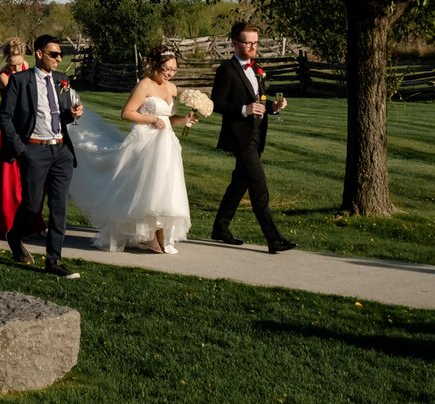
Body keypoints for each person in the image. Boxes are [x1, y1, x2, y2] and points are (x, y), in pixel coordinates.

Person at [67, 45, 196, 253]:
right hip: (147, 143)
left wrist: (185, 119)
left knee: (166, 188)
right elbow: (126, 113)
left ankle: (162, 235)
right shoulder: (144, 85)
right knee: (149, 188)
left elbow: (169, 118)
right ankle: (153, 236)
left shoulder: (171, 88)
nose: (171, 73)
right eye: (167, 68)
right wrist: (151, 119)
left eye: (174, 69)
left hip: (167, 144)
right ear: (156, 65)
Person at [0, 34, 83, 278]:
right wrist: (22, 149)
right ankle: (14, 235)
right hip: (35, 150)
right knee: (33, 206)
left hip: (62, 150)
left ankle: (53, 261)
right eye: (53, 54)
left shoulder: (62, 80)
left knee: (59, 207)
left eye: (60, 54)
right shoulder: (20, 81)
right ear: (38, 53)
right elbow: (4, 117)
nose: (58, 58)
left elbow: (64, 115)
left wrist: (74, 113)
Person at [211, 22, 296, 253]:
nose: (252, 47)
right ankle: (273, 238)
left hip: (258, 134)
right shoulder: (226, 70)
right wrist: (243, 110)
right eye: (248, 42)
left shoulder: (257, 69)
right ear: (235, 43)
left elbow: (258, 103)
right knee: (258, 184)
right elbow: (216, 104)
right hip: (239, 136)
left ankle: (220, 227)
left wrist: (274, 107)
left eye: (255, 43)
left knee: (240, 182)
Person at [0, 38, 33, 240]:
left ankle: (31, 222)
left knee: (30, 177)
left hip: (28, 128)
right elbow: (17, 102)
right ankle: (10, 224)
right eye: (12, 64)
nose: (16, 67)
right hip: (11, 129)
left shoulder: (29, 68)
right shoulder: (4, 76)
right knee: (10, 179)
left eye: (18, 63)